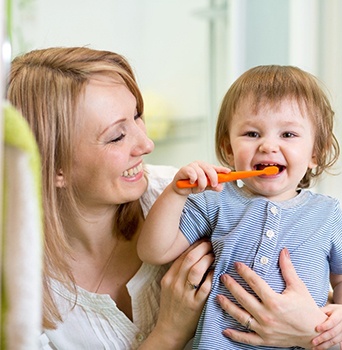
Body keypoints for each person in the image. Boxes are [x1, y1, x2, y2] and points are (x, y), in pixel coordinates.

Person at [6, 46, 215, 349]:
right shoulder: (16, 288)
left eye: (137, 116)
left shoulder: (192, 200)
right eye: (117, 136)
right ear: (54, 168)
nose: (146, 144)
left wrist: (302, 327)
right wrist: (170, 331)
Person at [137, 65, 342, 349]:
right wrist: (175, 193)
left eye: (287, 135)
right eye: (252, 134)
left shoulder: (327, 214)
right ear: (228, 149)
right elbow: (154, 251)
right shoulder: (214, 200)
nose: (268, 146)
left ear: (315, 153)